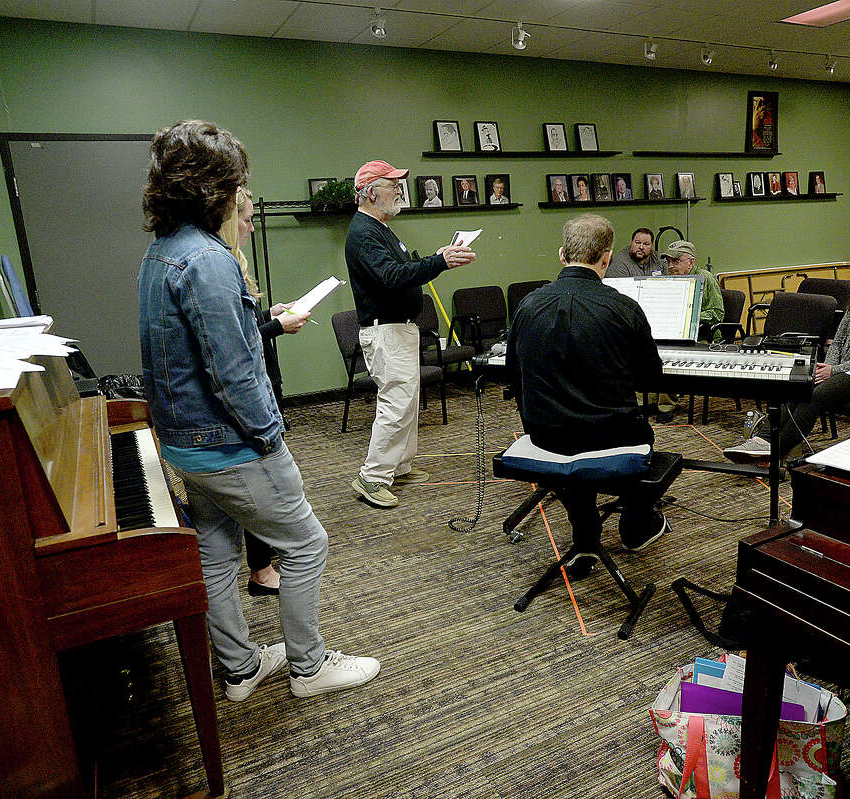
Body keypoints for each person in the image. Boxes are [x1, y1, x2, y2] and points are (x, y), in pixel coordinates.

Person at [137, 119, 379, 700]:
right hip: (231, 445)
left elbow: (199, 345)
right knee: (306, 544)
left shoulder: (160, 254)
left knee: (217, 552)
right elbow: (234, 374)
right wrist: (272, 438)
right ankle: (309, 667)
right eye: (238, 184)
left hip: (184, 444)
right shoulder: (209, 260)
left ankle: (242, 669)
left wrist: (258, 318)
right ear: (215, 187)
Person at [508, 213, 668, 561]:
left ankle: (585, 530)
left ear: (562, 255)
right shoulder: (625, 309)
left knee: (570, 439)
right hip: (613, 438)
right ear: (607, 258)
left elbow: (513, 374)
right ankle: (636, 526)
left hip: (544, 436)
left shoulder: (527, 305)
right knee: (643, 437)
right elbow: (651, 379)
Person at [346, 159, 476, 508]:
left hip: (398, 329)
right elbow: (391, 276)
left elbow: (402, 270)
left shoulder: (379, 228)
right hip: (385, 332)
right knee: (396, 404)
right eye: (393, 184)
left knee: (407, 404)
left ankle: (398, 467)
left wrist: (436, 261)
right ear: (372, 193)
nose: (399, 189)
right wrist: (439, 261)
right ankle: (372, 477)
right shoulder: (363, 233)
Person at [215, 185, 311, 597]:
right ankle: (261, 570)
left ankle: (262, 566)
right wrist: (277, 326)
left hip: (263, 382)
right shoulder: (215, 268)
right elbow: (236, 343)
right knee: (261, 495)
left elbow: (245, 326)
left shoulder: (231, 260)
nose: (252, 228)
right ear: (225, 217)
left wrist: (269, 314)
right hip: (247, 403)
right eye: (247, 219)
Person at [724, 253, 850, 462]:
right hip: (841, 369)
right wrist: (828, 366)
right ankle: (762, 440)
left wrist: (834, 370)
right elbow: (837, 342)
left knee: (817, 394)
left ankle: (775, 451)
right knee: (798, 384)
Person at [653, 240, 723, 422]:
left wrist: (690, 317)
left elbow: (717, 313)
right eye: (668, 261)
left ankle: (666, 406)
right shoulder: (672, 279)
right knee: (647, 349)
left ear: (690, 262)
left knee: (669, 354)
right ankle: (645, 401)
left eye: (675, 261)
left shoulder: (705, 278)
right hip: (676, 332)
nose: (670, 266)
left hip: (704, 336)